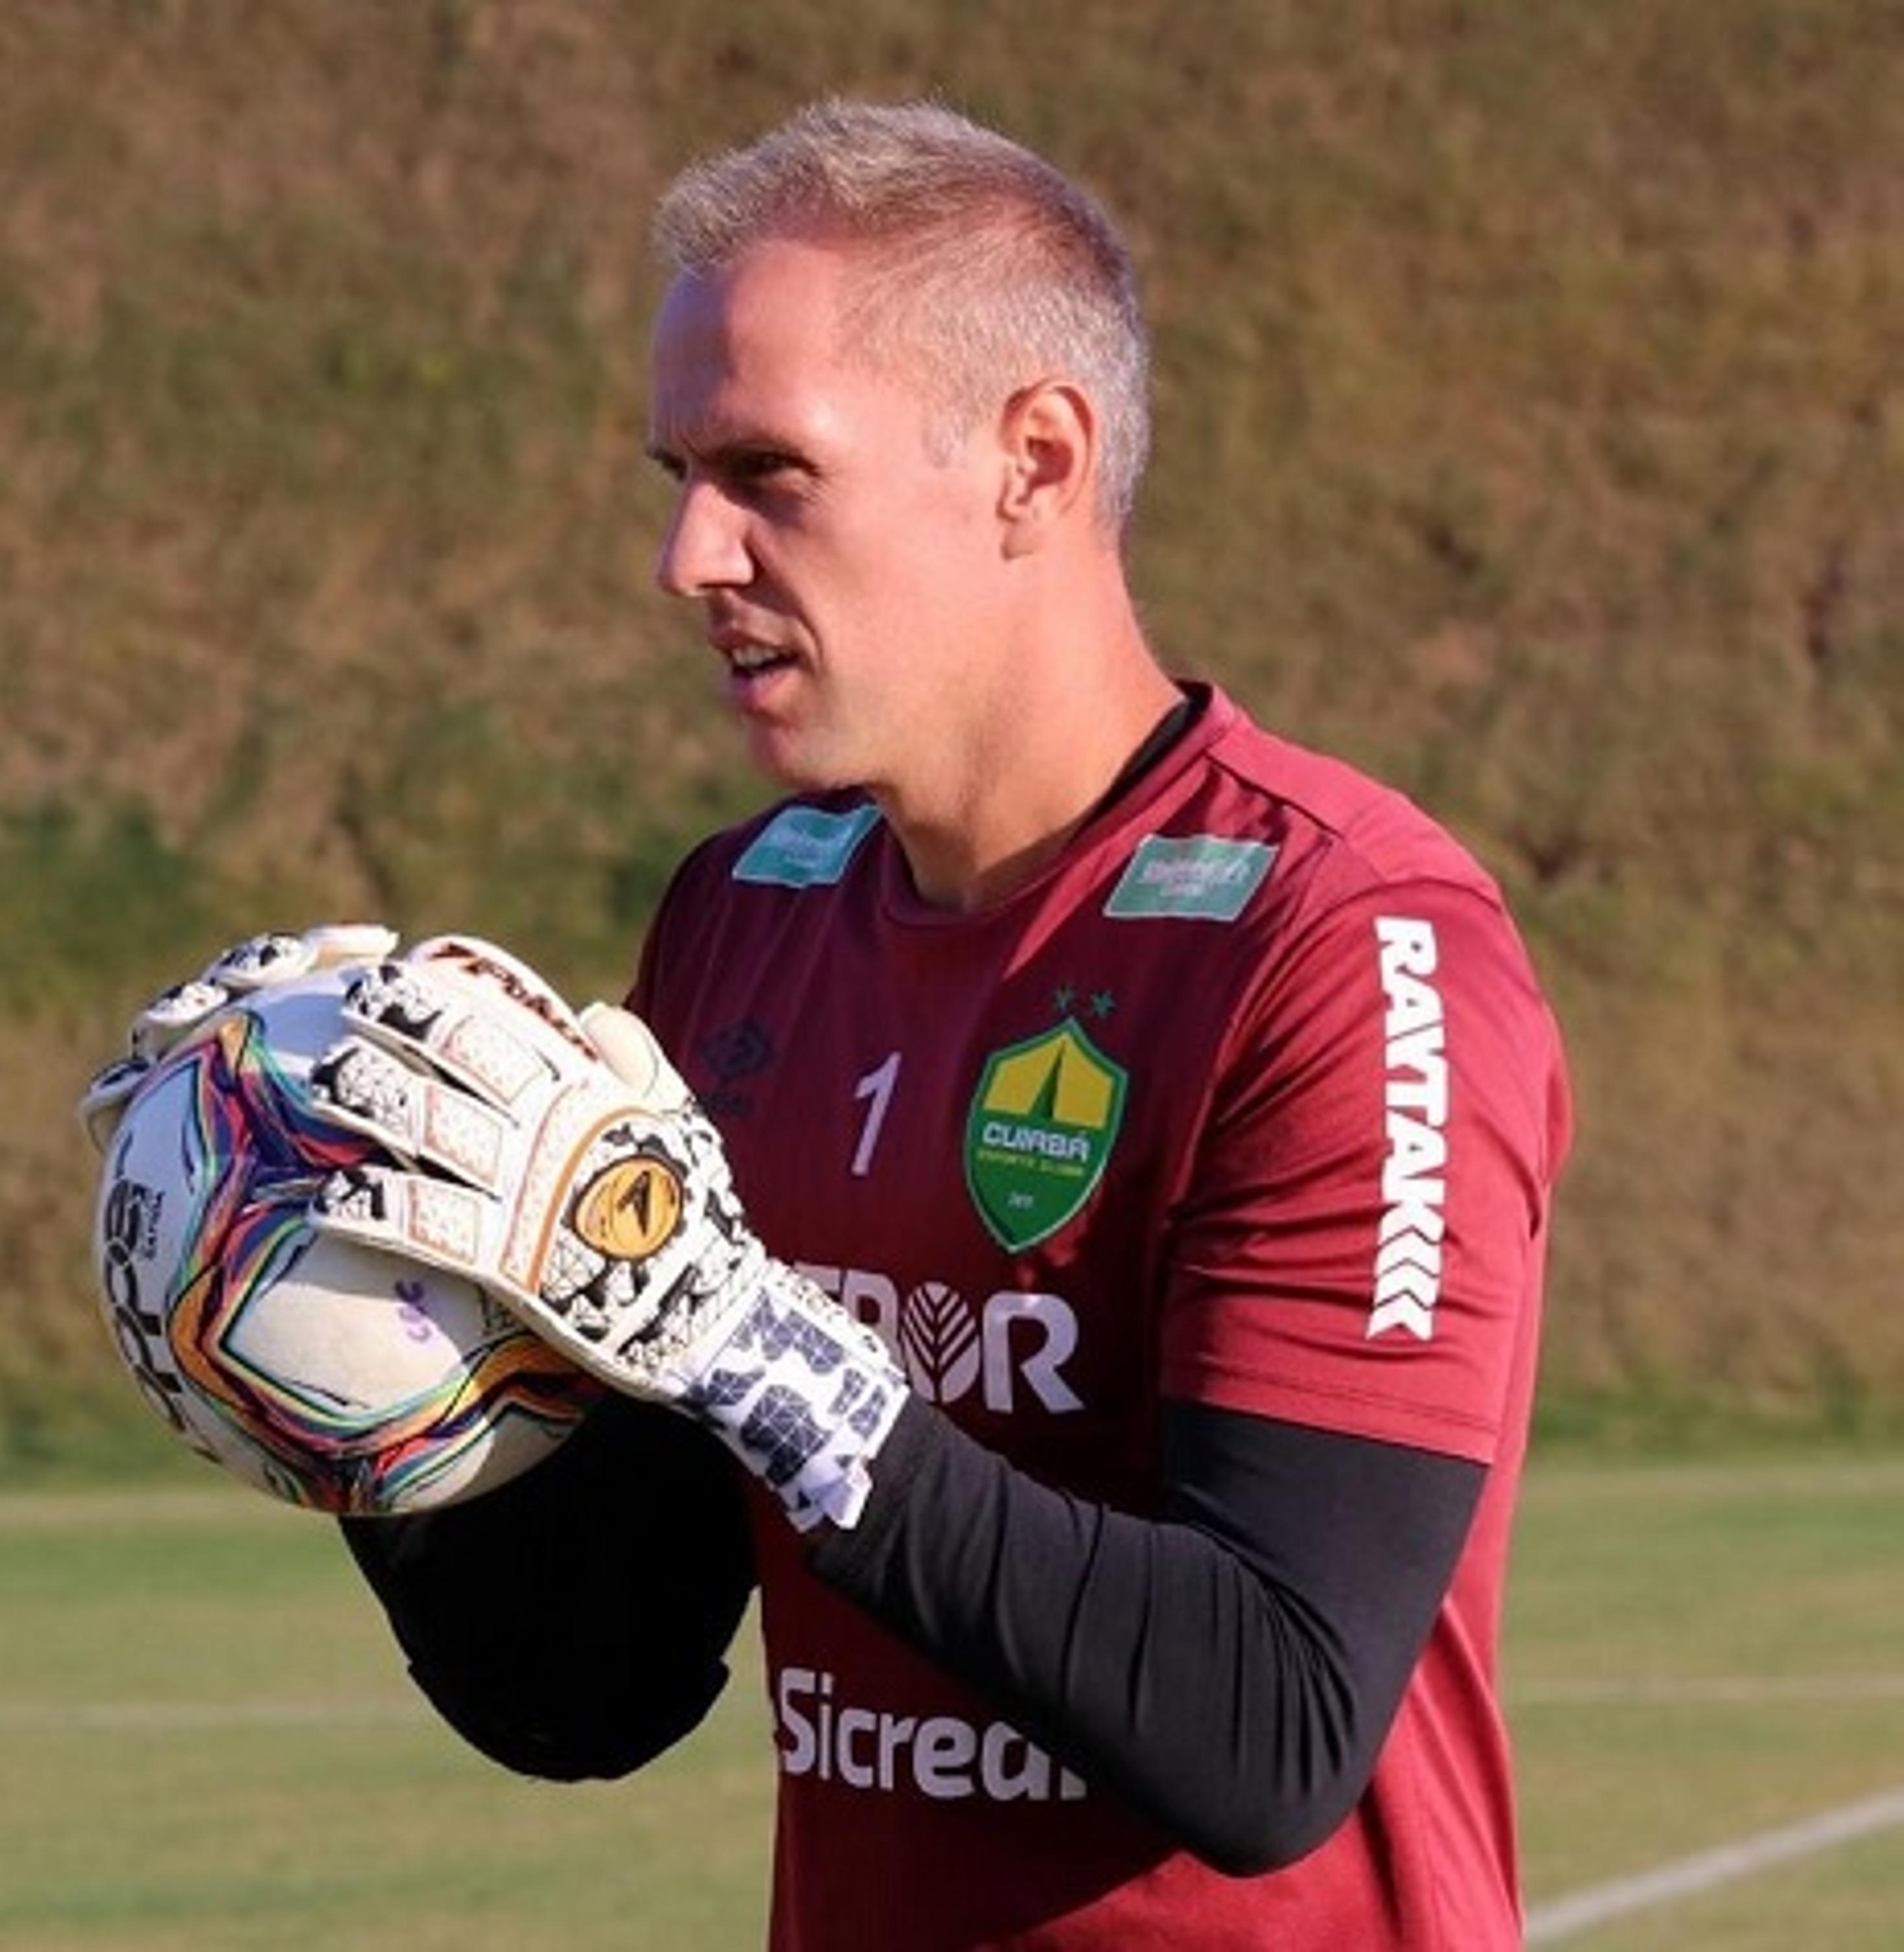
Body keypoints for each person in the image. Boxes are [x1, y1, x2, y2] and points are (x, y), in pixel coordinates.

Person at [93, 98, 1570, 1950]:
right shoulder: (743, 921)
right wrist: (366, 1382)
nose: (687, 557)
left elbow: (1267, 1724)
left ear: (1035, 461)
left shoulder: (1345, 942)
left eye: (768, 472)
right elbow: (594, 1681)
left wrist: (749, 1342)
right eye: (676, 477)